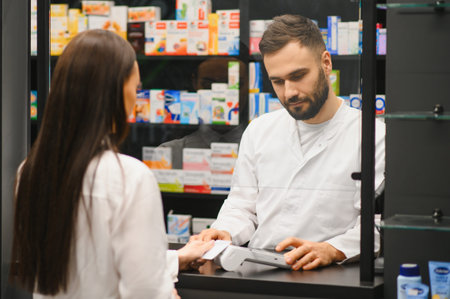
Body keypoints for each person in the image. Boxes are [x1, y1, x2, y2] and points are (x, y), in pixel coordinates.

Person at [10, 29, 213, 298]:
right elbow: (144, 291)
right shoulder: (129, 176)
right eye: (137, 88)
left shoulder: (30, 171)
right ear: (116, 91)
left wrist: (175, 258)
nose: (137, 99)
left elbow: (87, 265)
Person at [195, 14, 385, 271]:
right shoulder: (260, 130)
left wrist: (332, 249)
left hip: (333, 276)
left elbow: (377, 225)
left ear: (326, 63)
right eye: (278, 81)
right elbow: (242, 205)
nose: (289, 92)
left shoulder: (372, 134)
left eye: (298, 76)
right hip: (260, 270)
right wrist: (223, 231)